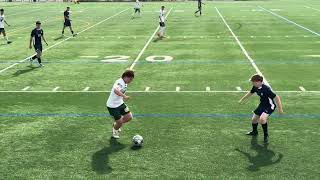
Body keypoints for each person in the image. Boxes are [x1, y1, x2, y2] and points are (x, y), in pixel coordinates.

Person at [239, 74, 284, 144]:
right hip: (262, 105)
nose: (252, 83)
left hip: (269, 106)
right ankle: (255, 132)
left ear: (259, 82)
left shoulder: (266, 89)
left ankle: (266, 136)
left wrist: (280, 109)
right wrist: (242, 99)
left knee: (262, 119)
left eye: (253, 82)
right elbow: (250, 93)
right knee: (254, 119)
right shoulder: (255, 87)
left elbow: (277, 97)